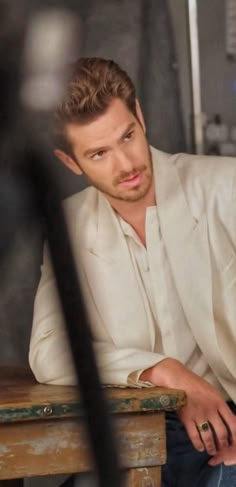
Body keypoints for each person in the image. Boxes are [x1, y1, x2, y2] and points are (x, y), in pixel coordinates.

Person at [29, 57, 236, 486]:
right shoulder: (67, 226)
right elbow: (49, 350)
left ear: (140, 116)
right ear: (70, 162)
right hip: (141, 432)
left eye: (128, 136)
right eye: (99, 153)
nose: (125, 164)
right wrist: (163, 371)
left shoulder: (226, 188)